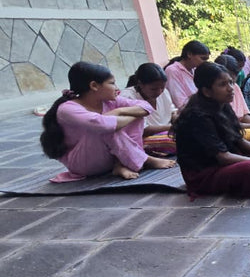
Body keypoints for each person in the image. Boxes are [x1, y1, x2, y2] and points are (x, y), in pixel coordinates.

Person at [172, 62, 250, 199]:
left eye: (230, 82)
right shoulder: (197, 116)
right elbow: (223, 157)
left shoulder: (222, 105)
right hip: (205, 172)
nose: (231, 88)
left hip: (227, 157)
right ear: (207, 91)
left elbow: (238, 140)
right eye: (222, 85)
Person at [40, 62, 176, 182]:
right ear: (94, 86)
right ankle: (145, 160)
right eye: (112, 83)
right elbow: (103, 125)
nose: (117, 88)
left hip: (107, 159)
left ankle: (121, 164)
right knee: (107, 128)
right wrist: (127, 115)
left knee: (125, 119)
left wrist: (118, 112)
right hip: (83, 163)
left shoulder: (111, 102)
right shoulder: (68, 109)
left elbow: (146, 107)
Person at [121, 63, 177, 156]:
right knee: (181, 140)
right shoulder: (127, 97)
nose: (159, 92)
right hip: (144, 138)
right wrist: (173, 128)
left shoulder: (164, 92)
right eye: (153, 89)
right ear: (140, 84)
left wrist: (178, 119)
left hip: (168, 131)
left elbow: (172, 111)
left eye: (162, 88)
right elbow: (143, 130)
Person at [164, 40, 210, 109]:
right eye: (203, 58)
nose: (205, 62)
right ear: (189, 54)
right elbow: (179, 102)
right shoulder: (172, 71)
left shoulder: (195, 70)